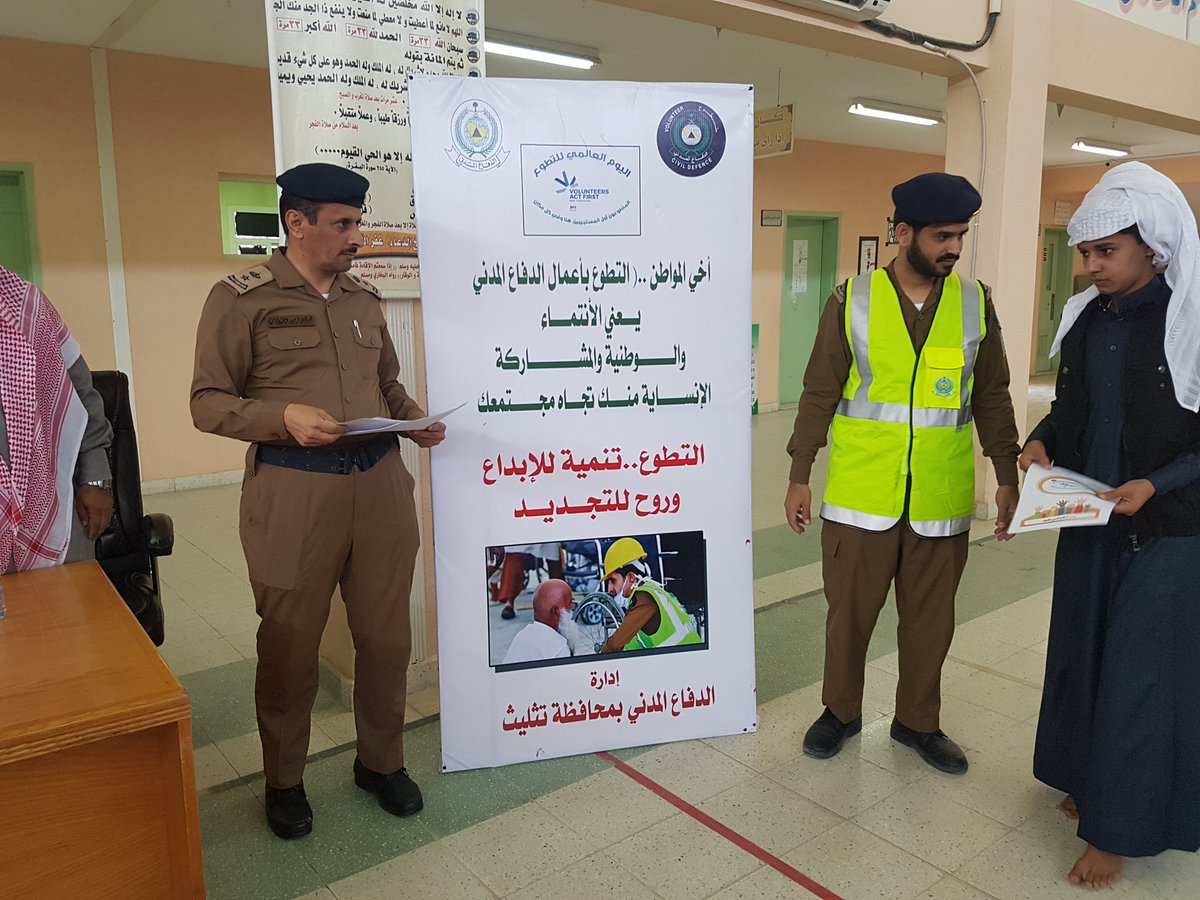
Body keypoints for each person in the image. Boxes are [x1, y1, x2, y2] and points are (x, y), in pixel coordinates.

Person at [190, 162, 446, 840]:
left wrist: (415, 420)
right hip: (294, 492)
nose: (356, 236)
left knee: (387, 638)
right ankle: (284, 781)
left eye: (358, 222)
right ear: (297, 223)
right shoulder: (240, 299)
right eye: (343, 223)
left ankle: (380, 762)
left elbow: (387, 387)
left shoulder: (364, 299)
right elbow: (207, 402)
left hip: (380, 485)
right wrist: (281, 418)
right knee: (290, 643)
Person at [783, 172, 1020, 774]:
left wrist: (1006, 474)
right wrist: (800, 471)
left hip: (940, 497)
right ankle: (840, 712)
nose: (954, 248)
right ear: (904, 232)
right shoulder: (851, 300)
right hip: (861, 495)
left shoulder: (975, 302)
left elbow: (992, 394)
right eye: (943, 236)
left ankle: (917, 722)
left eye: (960, 236)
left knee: (930, 623)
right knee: (848, 618)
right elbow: (819, 390)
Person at [1017, 161, 1200, 888]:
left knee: (1138, 678)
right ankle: (1085, 780)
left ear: (1152, 248)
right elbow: (1073, 412)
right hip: (1090, 519)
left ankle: (1116, 830)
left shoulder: (1188, 322)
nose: (1091, 266)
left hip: (1168, 532)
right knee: (1081, 655)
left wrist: (1155, 484)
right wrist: (1041, 440)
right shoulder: (1088, 320)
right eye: (1085, 253)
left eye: (1106, 251)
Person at [0, 265, 113, 572]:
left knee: (69, 597)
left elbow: (81, 393)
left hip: (51, 504)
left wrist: (96, 477)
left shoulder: (27, 307)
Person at [598, 537, 701, 652]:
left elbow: (614, 645)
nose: (609, 589)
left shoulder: (644, 598)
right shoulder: (652, 590)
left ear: (631, 578)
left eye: (613, 581)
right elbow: (633, 643)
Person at [500, 578, 574, 664]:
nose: (572, 607)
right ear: (555, 611)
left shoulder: (521, 635)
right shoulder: (559, 647)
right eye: (570, 603)